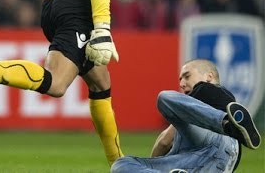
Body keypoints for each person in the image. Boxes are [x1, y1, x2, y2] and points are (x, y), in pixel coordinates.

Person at [0, 0, 123, 166]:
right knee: (56, 83)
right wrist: (102, 28)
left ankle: (117, 162)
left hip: (55, 4)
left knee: (100, 83)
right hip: (78, 9)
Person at [111, 59, 261, 173]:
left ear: (209, 76)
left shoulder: (205, 89)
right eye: (180, 79)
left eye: (187, 76)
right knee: (121, 164)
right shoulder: (207, 102)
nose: (182, 83)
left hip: (217, 143)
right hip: (205, 166)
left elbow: (165, 140)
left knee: (165, 97)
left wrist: (156, 164)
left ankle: (226, 124)